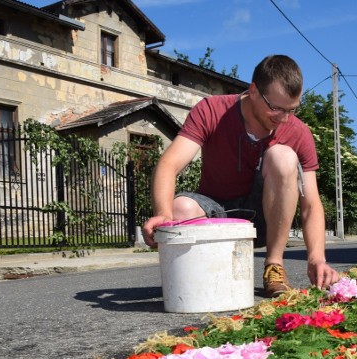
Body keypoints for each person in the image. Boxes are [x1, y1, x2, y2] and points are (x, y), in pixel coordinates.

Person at [140, 54, 340, 297]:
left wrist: (316, 258)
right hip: (217, 215)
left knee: (283, 156)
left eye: (292, 110)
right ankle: (209, 274)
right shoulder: (212, 110)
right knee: (179, 209)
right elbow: (169, 164)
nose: (283, 118)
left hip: (268, 220)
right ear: (253, 90)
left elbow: (311, 204)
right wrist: (163, 214)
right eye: (275, 108)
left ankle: (274, 265)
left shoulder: (299, 132)